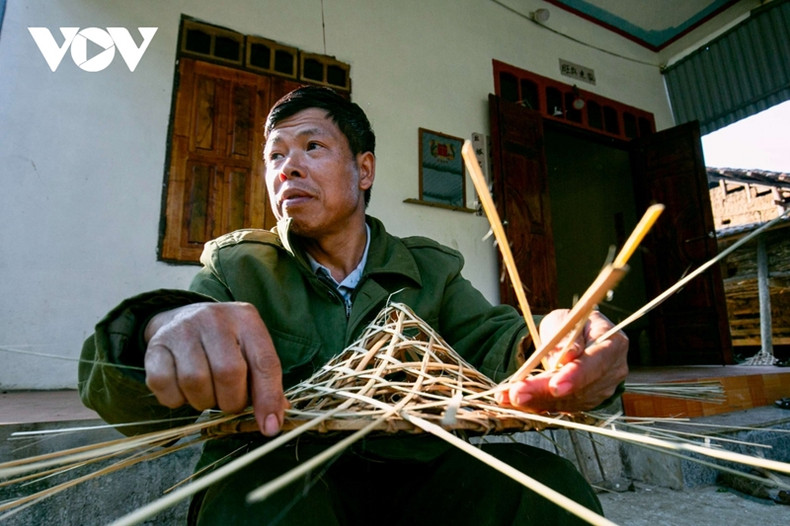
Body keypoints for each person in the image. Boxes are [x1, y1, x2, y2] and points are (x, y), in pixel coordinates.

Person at [79, 85, 629, 525]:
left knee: (550, 491)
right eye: (275, 156)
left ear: (364, 171)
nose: (286, 168)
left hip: (420, 475)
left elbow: (496, 341)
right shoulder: (238, 269)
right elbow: (119, 387)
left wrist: (553, 348)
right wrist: (158, 327)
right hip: (284, 477)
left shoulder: (430, 269)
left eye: (311, 147)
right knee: (257, 503)